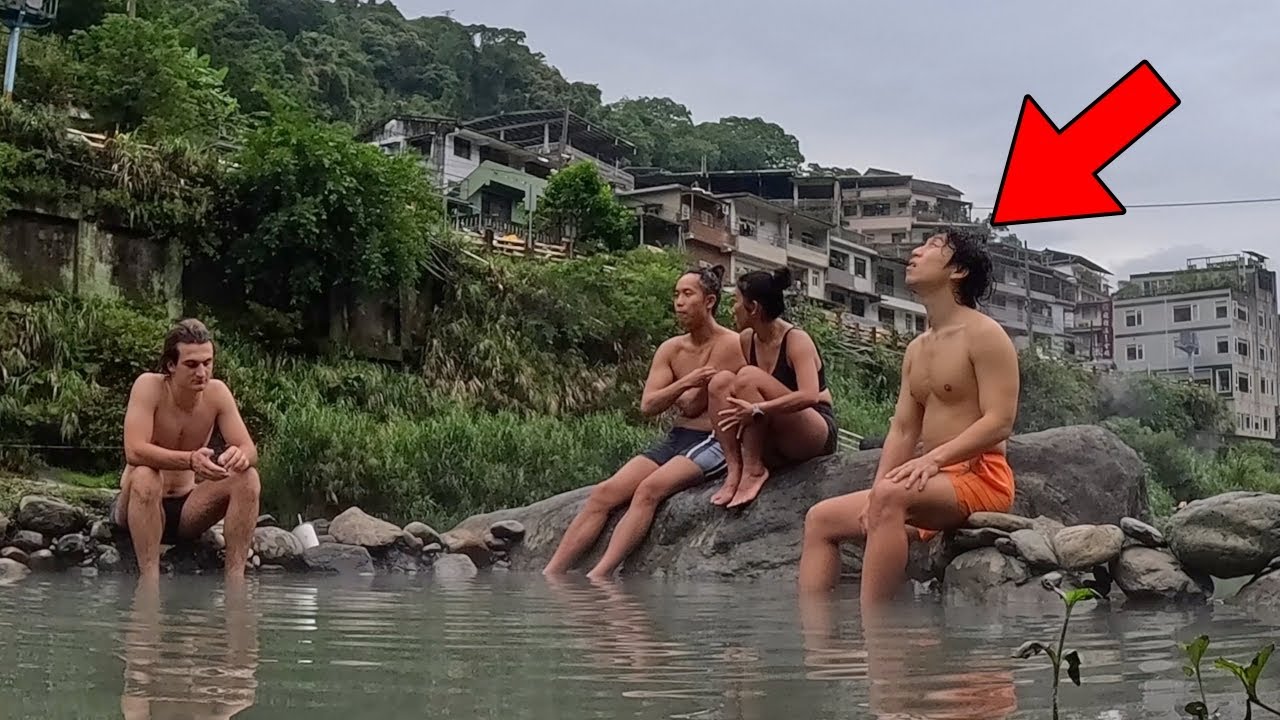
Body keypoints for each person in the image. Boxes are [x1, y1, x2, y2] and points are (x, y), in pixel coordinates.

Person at [797, 228, 1019, 610]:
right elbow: (903, 429)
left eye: (932, 246)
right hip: (929, 482)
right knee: (821, 519)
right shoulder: (917, 347)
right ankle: (814, 641)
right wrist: (878, 491)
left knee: (888, 496)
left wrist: (930, 460)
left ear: (958, 271)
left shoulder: (986, 335)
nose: (915, 252)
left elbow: (1000, 422)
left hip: (981, 477)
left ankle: (878, 638)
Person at [542, 266, 745, 578]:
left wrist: (678, 392)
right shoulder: (671, 348)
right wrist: (686, 381)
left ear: (710, 301)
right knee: (603, 494)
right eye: (676, 294)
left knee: (648, 490)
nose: (679, 302)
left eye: (687, 294)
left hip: (713, 439)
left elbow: (694, 406)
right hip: (677, 438)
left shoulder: (732, 344)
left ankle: (600, 575)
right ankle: (551, 574)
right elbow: (649, 404)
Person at [113, 319, 262, 582]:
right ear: (171, 365)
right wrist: (190, 460)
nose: (202, 372)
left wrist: (241, 456)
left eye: (208, 363)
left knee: (248, 477)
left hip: (188, 508)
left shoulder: (217, 393)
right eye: (192, 365)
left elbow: (249, 448)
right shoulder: (149, 387)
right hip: (141, 502)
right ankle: (149, 584)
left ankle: (236, 583)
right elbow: (133, 451)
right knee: (147, 474)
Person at [706, 267, 839, 508]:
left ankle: (754, 469)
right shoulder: (747, 340)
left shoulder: (796, 340)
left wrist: (759, 409)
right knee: (720, 382)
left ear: (754, 308)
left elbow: (809, 395)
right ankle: (735, 469)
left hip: (812, 431)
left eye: (736, 301)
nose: (732, 308)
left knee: (747, 377)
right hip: (775, 430)